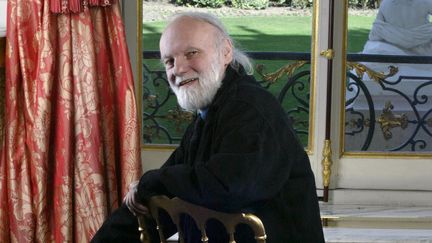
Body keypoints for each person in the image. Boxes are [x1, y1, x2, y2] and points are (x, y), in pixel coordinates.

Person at [92, 11, 324, 243]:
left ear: (225, 52)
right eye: (169, 61)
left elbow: (227, 187)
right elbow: (161, 199)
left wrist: (154, 181)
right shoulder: (212, 110)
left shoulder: (251, 109)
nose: (178, 69)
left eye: (191, 53)